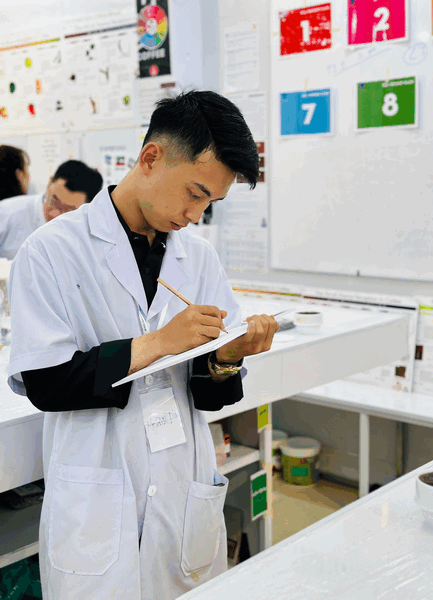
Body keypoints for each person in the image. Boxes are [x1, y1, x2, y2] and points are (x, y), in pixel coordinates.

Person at [7, 90, 279, 600]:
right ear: (151, 157)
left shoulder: (198, 258)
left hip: (180, 482)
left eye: (210, 203)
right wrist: (157, 343)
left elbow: (208, 395)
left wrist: (226, 359)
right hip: (97, 490)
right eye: (195, 193)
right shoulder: (50, 251)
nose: (196, 214)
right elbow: (46, 384)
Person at [0, 160, 103, 259]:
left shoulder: (90, 234)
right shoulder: (7, 213)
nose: (55, 214)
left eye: (68, 210)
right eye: (54, 201)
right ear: (50, 183)